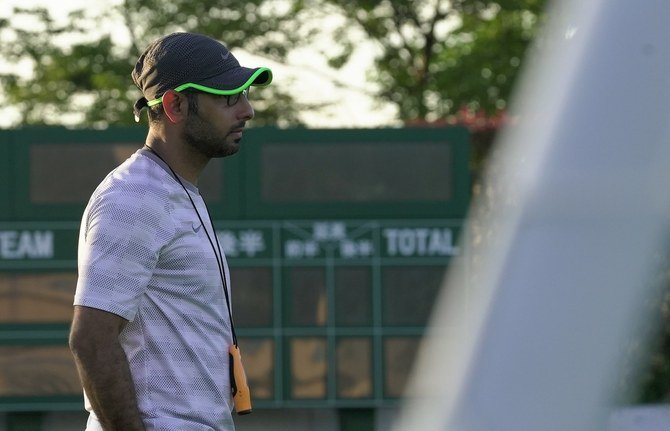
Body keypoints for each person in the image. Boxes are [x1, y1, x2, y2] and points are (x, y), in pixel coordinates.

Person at [68, 32, 272, 431]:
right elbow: (91, 340)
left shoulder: (172, 191)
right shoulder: (135, 197)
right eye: (229, 97)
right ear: (175, 105)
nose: (247, 110)